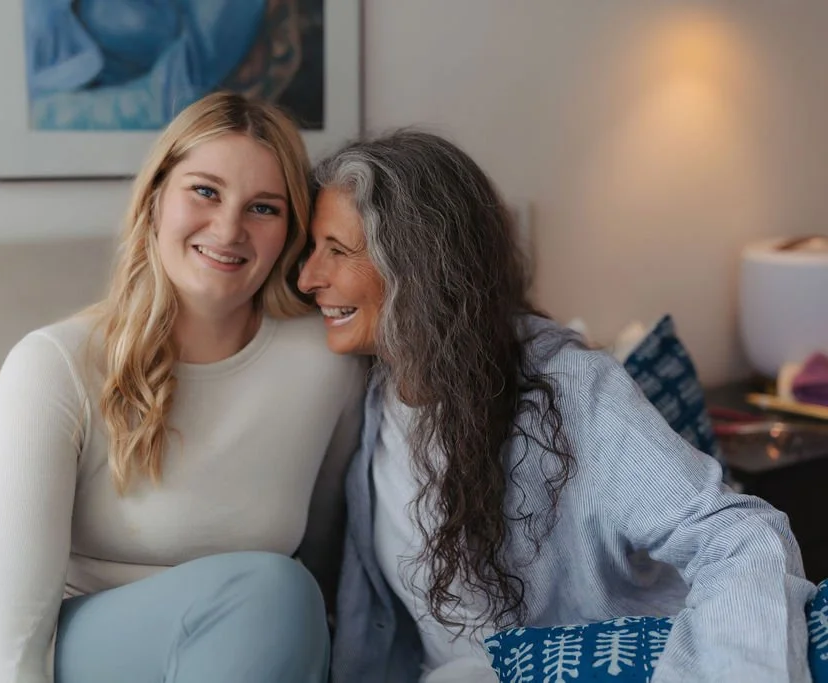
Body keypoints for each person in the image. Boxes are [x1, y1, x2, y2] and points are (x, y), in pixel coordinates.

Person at [297, 130, 816, 683]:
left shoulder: (566, 390)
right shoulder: (371, 389)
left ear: (420, 267)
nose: (309, 279)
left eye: (337, 251)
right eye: (311, 251)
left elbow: (740, 537)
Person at [0, 92, 366, 683]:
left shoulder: (324, 365)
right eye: (204, 191)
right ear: (155, 199)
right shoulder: (55, 364)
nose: (229, 228)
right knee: (270, 592)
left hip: (248, 653)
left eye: (264, 208)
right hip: (27, 664)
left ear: (290, 231)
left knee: (283, 596)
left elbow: (331, 563)